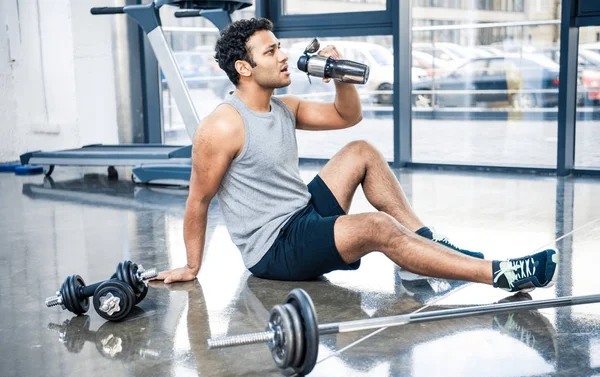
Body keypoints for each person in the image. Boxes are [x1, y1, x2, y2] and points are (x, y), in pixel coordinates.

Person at [155, 18, 558, 293]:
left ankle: (425, 242)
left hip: (302, 214)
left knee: (360, 151)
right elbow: (199, 199)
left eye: (279, 47)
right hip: (275, 248)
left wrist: (338, 74)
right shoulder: (222, 125)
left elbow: (348, 116)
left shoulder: (283, 107)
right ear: (243, 67)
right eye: (270, 52)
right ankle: (498, 274)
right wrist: (192, 267)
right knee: (377, 227)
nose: (282, 56)